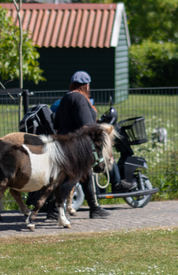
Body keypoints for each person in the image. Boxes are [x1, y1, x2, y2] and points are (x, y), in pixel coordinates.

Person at [52, 70, 134, 219]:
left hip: (64, 143)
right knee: (74, 178)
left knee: (86, 175)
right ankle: (54, 208)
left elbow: (56, 123)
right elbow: (87, 125)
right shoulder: (80, 99)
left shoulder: (65, 98)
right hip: (77, 146)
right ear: (86, 85)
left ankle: (94, 207)